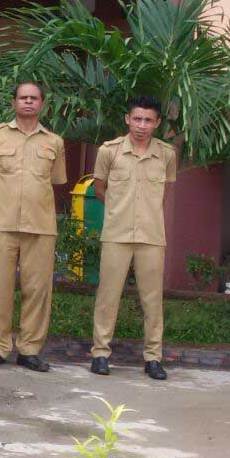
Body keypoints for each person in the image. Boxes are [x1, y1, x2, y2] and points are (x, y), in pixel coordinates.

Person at [0, 82, 67, 372]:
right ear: (14, 102)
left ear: (42, 104)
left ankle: (30, 349)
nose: (28, 102)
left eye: (34, 98)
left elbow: (56, 183)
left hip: (40, 226)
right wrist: (4, 203)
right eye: (22, 97)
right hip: (2, 223)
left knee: (38, 290)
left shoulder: (54, 142)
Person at [89, 95, 177, 380]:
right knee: (107, 295)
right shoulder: (109, 151)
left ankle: (153, 358)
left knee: (152, 300)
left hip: (151, 236)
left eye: (148, 120)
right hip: (116, 234)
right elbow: (100, 189)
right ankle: (100, 353)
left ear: (157, 123)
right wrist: (120, 211)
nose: (142, 125)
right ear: (127, 119)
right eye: (137, 119)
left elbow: (163, 193)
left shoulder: (166, 154)